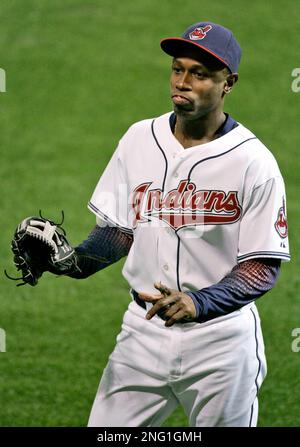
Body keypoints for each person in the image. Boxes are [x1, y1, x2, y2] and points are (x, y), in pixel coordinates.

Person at [64, 22, 290, 426]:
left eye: (199, 74)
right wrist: (73, 262)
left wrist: (199, 302)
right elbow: (119, 231)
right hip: (141, 336)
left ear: (228, 83)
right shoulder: (138, 138)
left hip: (221, 344)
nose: (182, 82)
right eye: (177, 68)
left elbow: (262, 266)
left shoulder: (254, 163)